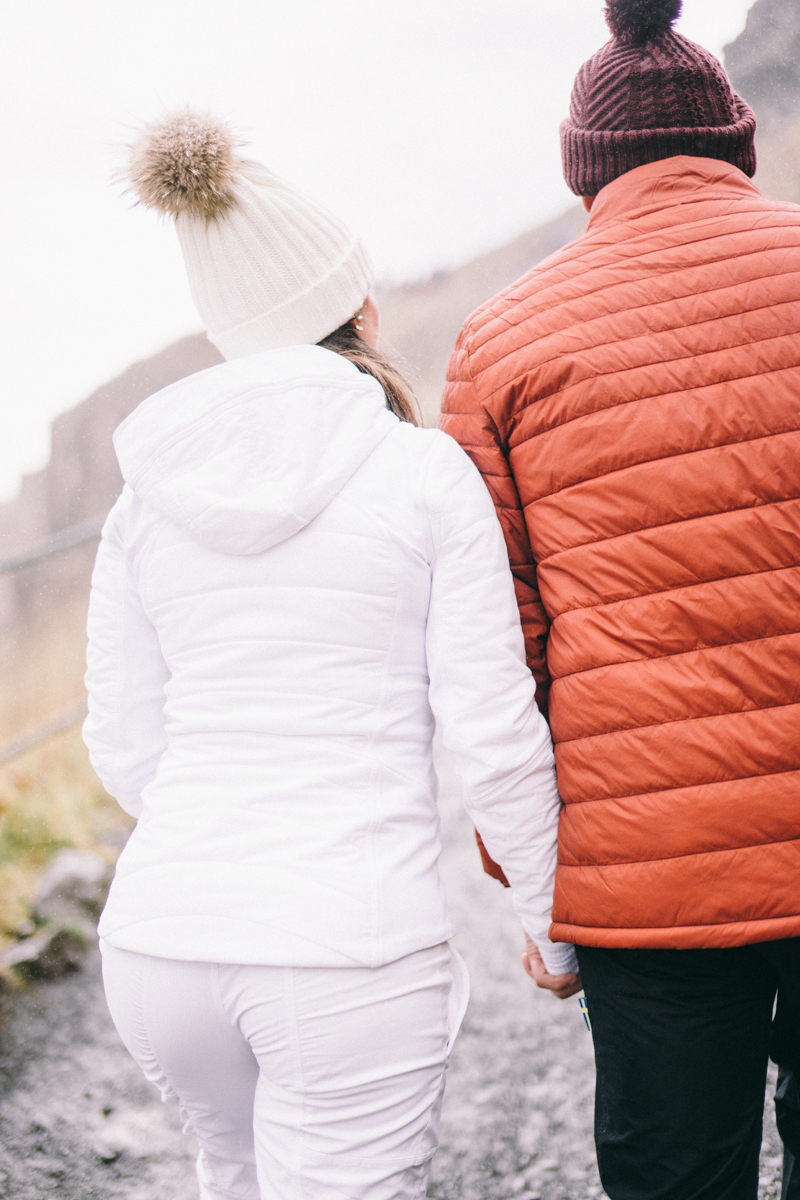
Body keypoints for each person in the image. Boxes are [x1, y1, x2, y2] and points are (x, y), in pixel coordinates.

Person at [83, 110, 575, 1200]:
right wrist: (549, 921)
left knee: (235, 1170)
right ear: (353, 303)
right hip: (347, 952)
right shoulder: (420, 475)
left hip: (161, 944)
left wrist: (222, 847)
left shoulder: (145, 499)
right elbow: (491, 733)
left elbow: (120, 741)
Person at [439, 1, 800, 1198]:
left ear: (584, 171)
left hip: (651, 878)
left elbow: (498, 648)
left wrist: (541, 886)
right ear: (734, 142)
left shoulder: (498, 343)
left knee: (674, 1174)